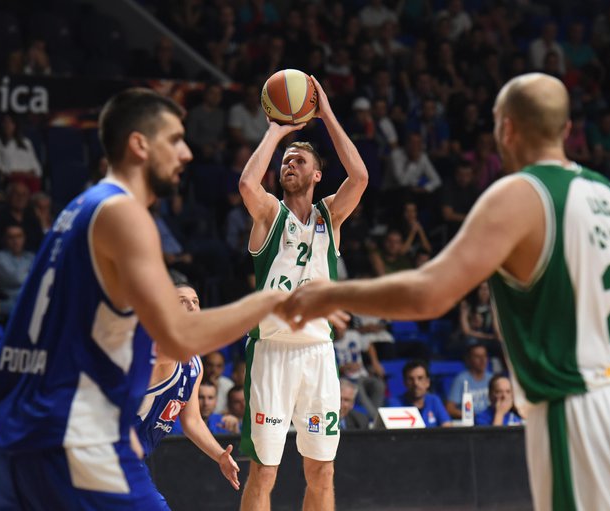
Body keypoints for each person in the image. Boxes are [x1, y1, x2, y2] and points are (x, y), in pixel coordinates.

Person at [283, 73, 610, 511]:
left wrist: (329, 295)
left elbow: (428, 294)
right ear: (567, 129)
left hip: (579, 416)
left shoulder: (520, 194)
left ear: (505, 129)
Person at [0, 88, 286, 510]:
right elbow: (176, 337)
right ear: (138, 144)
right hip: (69, 439)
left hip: (29, 432)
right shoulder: (124, 215)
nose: (186, 153)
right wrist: (275, 300)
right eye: (174, 139)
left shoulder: (79, 209)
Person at [238, 75, 368, 511]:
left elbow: (360, 176)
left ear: (316, 174)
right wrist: (278, 129)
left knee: (322, 471)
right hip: (271, 353)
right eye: (285, 161)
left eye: (298, 161)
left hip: (318, 354)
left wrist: (326, 113)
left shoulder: (329, 216)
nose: (288, 165)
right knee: (266, 471)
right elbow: (246, 185)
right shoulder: (269, 214)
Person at [135, 282, 240, 499]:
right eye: (182, 301)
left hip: (133, 458)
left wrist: (219, 455)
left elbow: (192, 421)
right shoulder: (160, 351)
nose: (192, 307)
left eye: (195, 302)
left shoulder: (195, 365)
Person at [387, 359, 451, 427]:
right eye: (411, 379)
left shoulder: (434, 400)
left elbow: (447, 426)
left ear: (428, 382)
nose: (416, 383)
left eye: (420, 378)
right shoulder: (395, 403)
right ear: (404, 382)